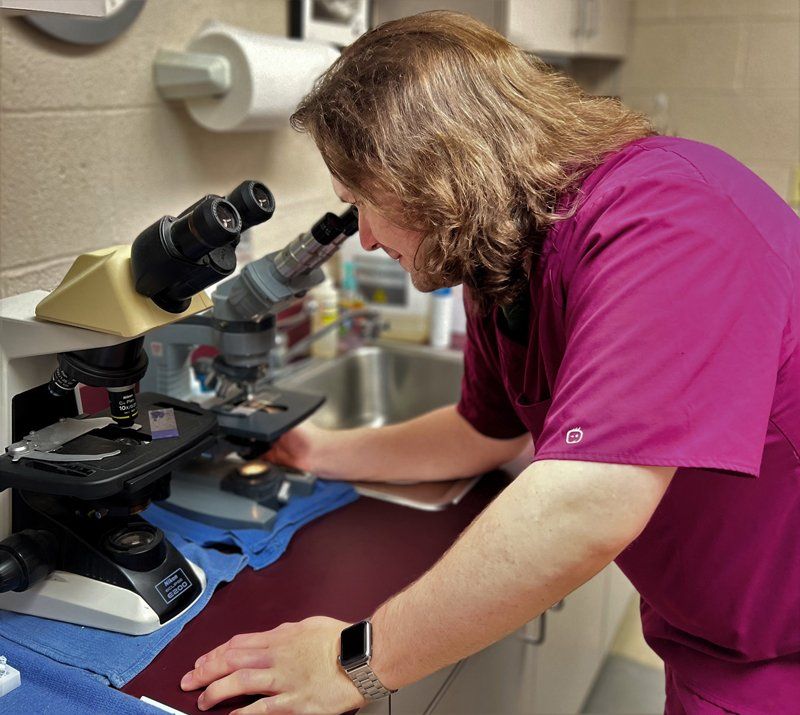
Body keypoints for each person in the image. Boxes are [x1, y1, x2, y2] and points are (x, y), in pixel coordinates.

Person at [179, 11, 800, 715]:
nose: (371, 239)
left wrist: (355, 661)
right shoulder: (506, 260)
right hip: (715, 636)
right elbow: (486, 430)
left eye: (360, 203)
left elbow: (587, 502)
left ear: (427, 166)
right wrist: (317, 450)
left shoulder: (667, 214)